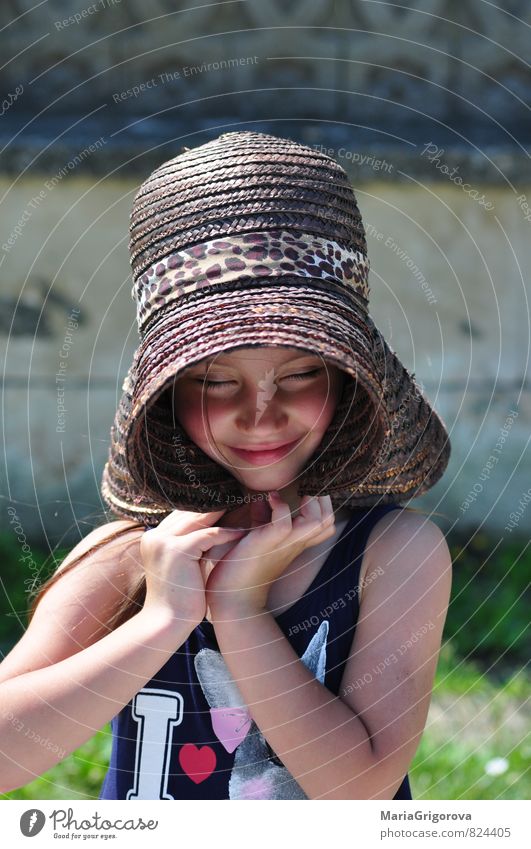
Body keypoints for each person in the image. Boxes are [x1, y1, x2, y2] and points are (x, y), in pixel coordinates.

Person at [0, 130, 452, 800]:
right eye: (215, 381)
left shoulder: (393, 553)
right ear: (167, 395)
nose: (260, 414)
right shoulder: (129, 556)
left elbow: (359, 791)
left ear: (349, 380)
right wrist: (163, 619)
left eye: (299, 373)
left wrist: (239, 611)